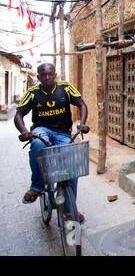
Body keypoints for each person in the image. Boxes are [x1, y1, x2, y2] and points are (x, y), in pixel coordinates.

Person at [14, 62, 90, 223]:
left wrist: (82, 123)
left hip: (63, 132)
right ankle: (36, 187)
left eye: (50, 74)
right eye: (43, 75)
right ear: (38, 76)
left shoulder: (65, 88)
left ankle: (69, 211)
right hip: (42, 130)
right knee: (38, 144)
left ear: (55, 75)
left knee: (71, 165)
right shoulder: (33, 92)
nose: (47, 77)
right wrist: (24, 131)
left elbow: (81, 104)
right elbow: (19, 114)